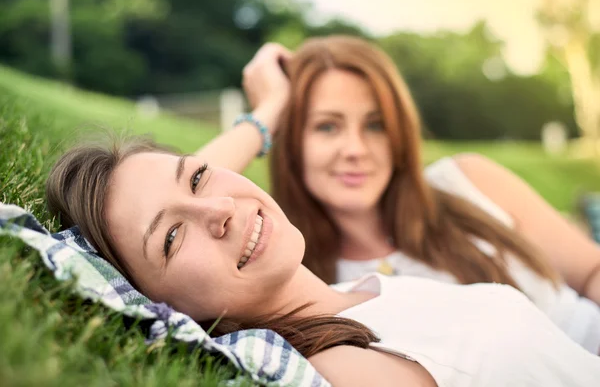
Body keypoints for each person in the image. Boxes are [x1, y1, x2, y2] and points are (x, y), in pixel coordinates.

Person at [45, 135, 600, 386]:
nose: (217, 208)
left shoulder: (367, 291)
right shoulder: (338, 366)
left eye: (196, 175)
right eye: (170, 239)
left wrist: (259, 122)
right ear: (159, 304)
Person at [188, 36, 600, 353]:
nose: (355, 149)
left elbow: (592, 272)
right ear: (290, 141)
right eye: (327, 127)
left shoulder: (465, 180)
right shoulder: (300, 278)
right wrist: (268, 112)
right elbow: (169, 218)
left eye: (375, 125)